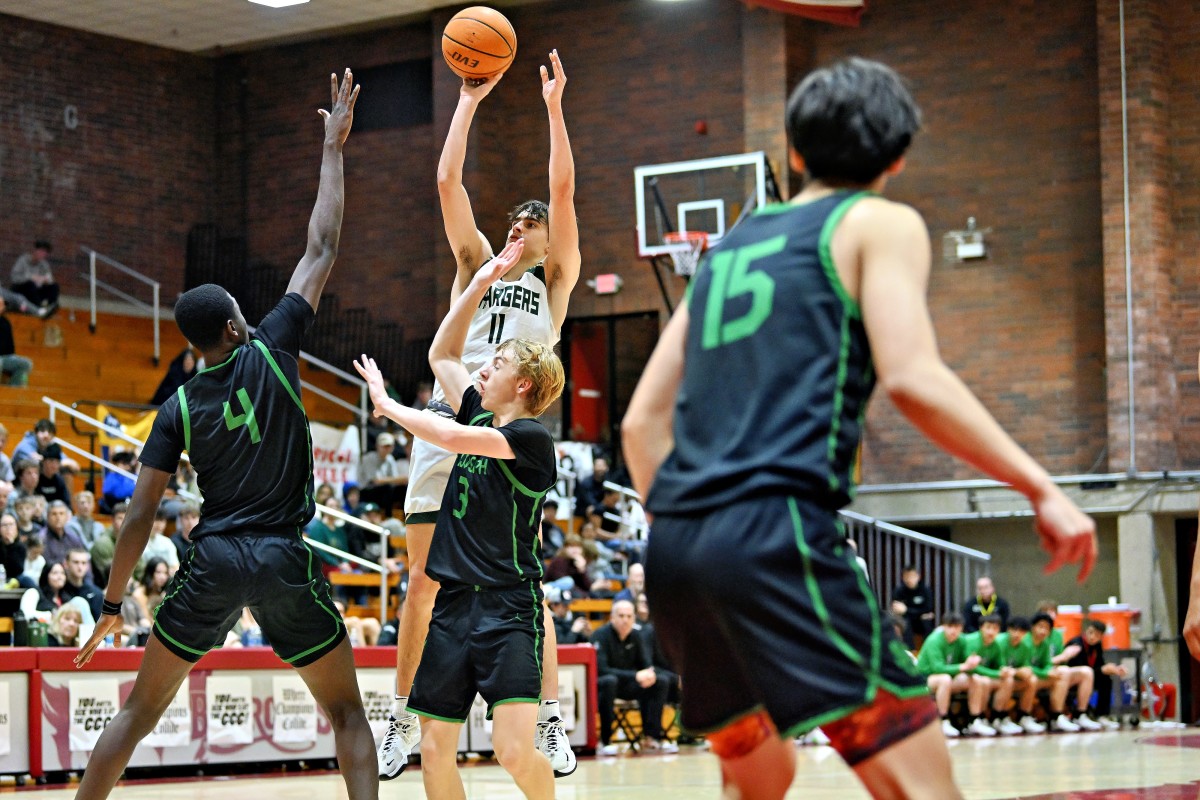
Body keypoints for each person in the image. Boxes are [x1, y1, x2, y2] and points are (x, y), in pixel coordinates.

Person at [620, 57, 1097, 800]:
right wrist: (1041, 485)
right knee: (922, 788)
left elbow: (640, 423)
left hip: (677, 550)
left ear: (796, 152)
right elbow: (912, 377)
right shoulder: (879, 221)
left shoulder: (728, 249)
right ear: (899, 155)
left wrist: (697, 533)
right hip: (771, 536)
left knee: (761, 776)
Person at [70, 69, 376, 800]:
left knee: (140, 711)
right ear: (236, 326)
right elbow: (322, 244)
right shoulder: (272, 344)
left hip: (210, 561)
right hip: (280, 556)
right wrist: (332, 148)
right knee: (346, 713)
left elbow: (139, 514)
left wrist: (112, 607)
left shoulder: (176, 406)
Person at [376, 48, 581, 782]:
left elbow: (562, 189)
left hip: (509, 439)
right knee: (424, 580)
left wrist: (554, 109)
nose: (522, 235)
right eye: (515, 228)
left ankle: (548, 719)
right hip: (450, 420)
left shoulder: (555, 284)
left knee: (520, 575)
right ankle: (404, 718)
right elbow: (445, 180)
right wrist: (468, 98)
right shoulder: (475, 263)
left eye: (535, 229)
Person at [354, 237, 566, 799]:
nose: (484, 368)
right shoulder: (482, 415)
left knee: (513, 751)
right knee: (435, 755)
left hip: (507, 606)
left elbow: (445, 432)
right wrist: (480, 283)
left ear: (522, 385)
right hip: (453, 606)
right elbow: (442, 356)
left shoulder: (529, 439)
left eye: (496, 364)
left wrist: (387, 405)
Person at [591, 598, 677, 756]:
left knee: (660, 682)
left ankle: (652, 738)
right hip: (606, 685)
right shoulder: (600, 635)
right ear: (612, 617)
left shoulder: (637, 636)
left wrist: (649, 675)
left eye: (629, 616)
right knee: (610, 681)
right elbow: (601, 669)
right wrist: (636, 675)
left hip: (629, 684)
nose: (625, 620)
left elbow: (646, 664)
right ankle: (605, 740)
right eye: (621, 616)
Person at [915, 613, 982, 738]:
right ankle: (943, 721)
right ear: (943, 627)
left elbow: (967, 661)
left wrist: (972, 662)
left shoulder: (962, 640)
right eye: (950, 627)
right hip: (925, 679)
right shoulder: (934, 640)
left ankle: (974, 720)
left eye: (957, 627)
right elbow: (937, 668)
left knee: (975, 679)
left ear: (961, 628)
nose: (953, 631)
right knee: (944, 679)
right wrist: (963, 666)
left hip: (948, 677)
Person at [1060, 618, 1126, 729]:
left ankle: (1101, 715)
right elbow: (1077, 668)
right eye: (1091, 632)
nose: (1092, 637)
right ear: (1086, 631)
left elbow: (1099, 665)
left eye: (1097, 635)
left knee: (1106, 679)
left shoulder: (1097, 646)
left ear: (1101, 637)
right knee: (1095, 674)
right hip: (1072, 677)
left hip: (1089, 676)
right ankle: (1080, 714)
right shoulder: (1076, 644)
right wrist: (1102, 670)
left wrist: (1113, 668)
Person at [358, 431, 408, 512]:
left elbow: (394, 481)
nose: (386, 448)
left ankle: (404, 515)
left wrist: (398, 480)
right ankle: (388, 515)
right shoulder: (369, 458)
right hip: (366, 491)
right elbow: (375, 481)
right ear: (377, 446)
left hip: (382, 490)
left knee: (402, 489)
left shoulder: (390, 459)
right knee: (387, 488)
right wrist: (400, 479)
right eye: (384, 446)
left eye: (389, 446)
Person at [891, 564, 935, 648]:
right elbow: (897, 610)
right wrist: (917, 613)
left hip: (920, 620)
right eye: (906, 576)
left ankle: (928, 649)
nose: (909, 579)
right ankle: (910, 650)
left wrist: (907, 610)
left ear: (918, 576)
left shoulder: (925, 590)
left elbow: (928, 609)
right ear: (903, 578)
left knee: (927, 622)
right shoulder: (899, 591)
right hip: (906, 619)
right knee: (904, 622)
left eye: (912, 576)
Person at [10, 240, 59, 312]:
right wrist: (31, 277)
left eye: (45, 253)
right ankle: (38, 308)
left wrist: (45, 280)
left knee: (54, 286)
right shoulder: (23, 260)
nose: (42, 254)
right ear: (35, 250)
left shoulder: (44, 264)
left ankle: (49, 306)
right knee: (30, 284)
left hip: (36, 291)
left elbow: (50, 280)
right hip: (22, 289)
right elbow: (14, 277)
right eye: (41, 251)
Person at [61, 547, 104, 620]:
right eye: (76, 562)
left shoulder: (96, 593)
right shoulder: (59, 589)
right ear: (66, 564)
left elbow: (99, 622)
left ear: (87, 566)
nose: (80, 567)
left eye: (83, 563)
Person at [41, 500, 84, 569]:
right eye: (54, 514)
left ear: (67, 517)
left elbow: (83, 559)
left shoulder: (73, 537)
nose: (58, 518)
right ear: (48, 517)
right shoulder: (41, 539)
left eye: (61, 514)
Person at [0, 300, 33, 387]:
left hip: (5, 356)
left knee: (26, 363)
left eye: (2, 305)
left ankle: (14, 391)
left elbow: (10, 347)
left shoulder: (5, 322)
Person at [36, 444, 72, 510]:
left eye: (57, 462)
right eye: (51, 461)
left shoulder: (59, 480)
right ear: (43, 461)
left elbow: (67, 504)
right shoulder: (36, 479)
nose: (54, 465)